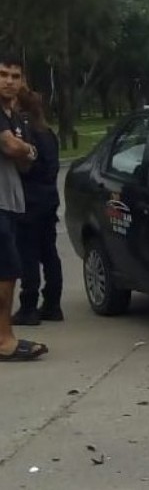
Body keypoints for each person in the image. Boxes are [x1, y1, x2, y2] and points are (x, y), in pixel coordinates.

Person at [0, 51, 48, 360]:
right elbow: (12, 146)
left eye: (15, 76)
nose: (9, 81)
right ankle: (4, 340)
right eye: (3, 74)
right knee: (6, 273)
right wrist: (26, 150)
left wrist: (25, 152)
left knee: (7, 272)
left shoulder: (13, 115)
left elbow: (26, 163)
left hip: (10, 201)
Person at [11, 88, 63, 325]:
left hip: (29, 200)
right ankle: (52, 304)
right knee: (49, 252)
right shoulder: (48, 132)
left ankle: (28, 306)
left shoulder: (24, 132)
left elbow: (24, 164)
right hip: (48, 199)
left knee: (28, 255)